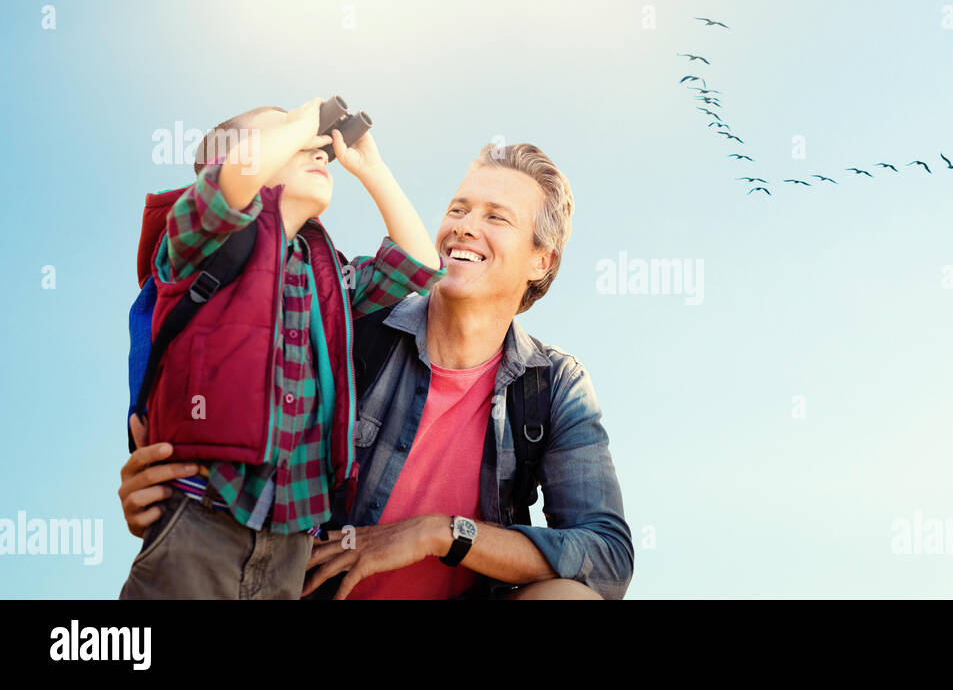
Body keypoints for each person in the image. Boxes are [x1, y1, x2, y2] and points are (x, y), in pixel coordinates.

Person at [120, 142, 633, 599]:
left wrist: (439, 533)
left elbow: (606, 557)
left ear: (540, 262)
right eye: (458, 208)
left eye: (496, 217)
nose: (464, 225)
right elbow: (223, 352)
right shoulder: (348, 320)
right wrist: (177, 492)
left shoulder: (553, 384)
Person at [118, 99, 445, 599]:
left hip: (291, 543)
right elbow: (225, 192)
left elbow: (419, 266)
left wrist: (371, 169)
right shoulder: (197, 237)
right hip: (204, 522)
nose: (314, 144)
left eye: (314, 139)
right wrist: (298, 122)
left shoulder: (327, 274)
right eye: (292, 140)